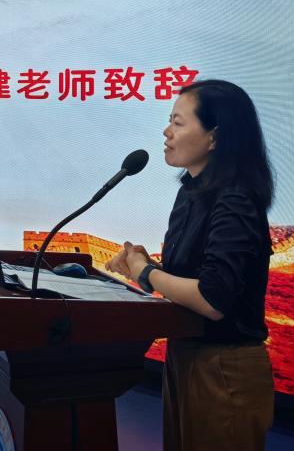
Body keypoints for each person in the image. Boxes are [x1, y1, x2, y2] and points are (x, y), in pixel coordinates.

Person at [106, 79, 275, 451]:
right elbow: (186, 280)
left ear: (214, 137)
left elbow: (213, 299)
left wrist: (146, 272)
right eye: (170, 121)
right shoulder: (191, 192)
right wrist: (140, 265)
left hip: (223, 368)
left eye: (178, 123)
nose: (166, 132)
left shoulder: (235, 199)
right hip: (184, 356)